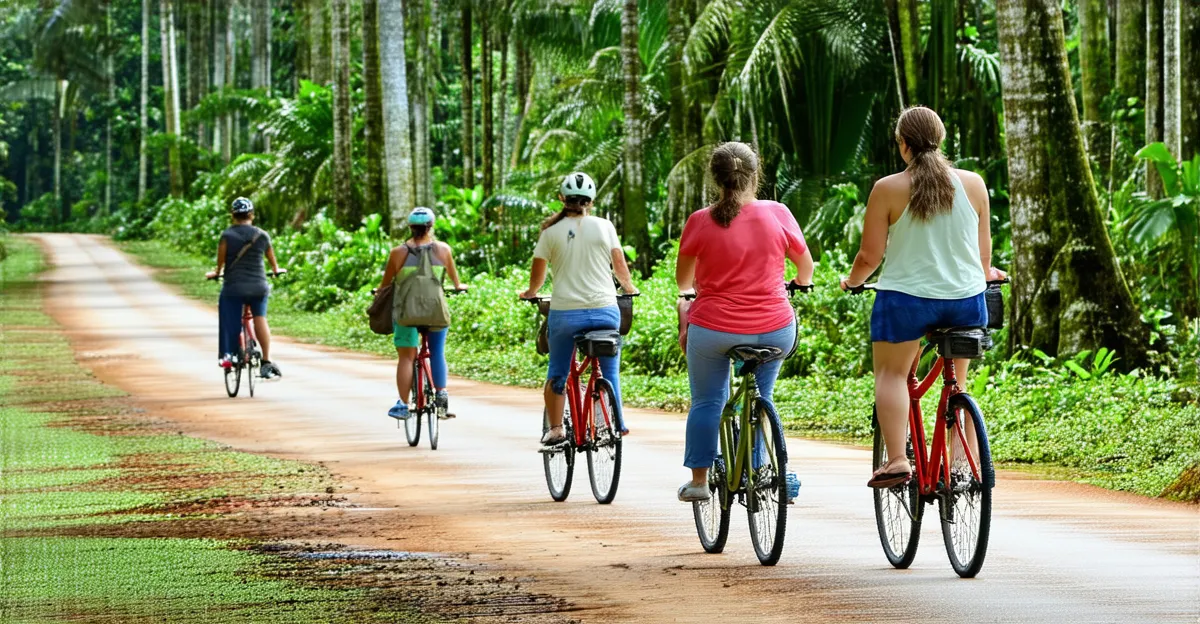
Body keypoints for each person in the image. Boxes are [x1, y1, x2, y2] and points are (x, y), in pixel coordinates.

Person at [839, 106, 1006, 488]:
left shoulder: (888, 188)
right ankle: (962, 461)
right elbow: (983, 259)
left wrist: (852, 281)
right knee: (957, 385)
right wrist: (985, 275)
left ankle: (898, 459)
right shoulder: (974, 184)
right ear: (942, 139)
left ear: (903, 145)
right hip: (966, 299)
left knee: (891, 374)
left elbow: (869, 257)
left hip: (906, 302)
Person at [674, 142, 815, 502]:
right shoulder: (778, 212)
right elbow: (805, 268)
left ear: (716, 178)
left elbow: (684, 282)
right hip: (775, 328)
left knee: (707, 402)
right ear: (756, 174)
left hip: (713, 329)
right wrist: (797, 284)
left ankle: (700, 482)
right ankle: (759, 474)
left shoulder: (700, 220)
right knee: (762, 396)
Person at [520, 172, 638, 445]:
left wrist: (529, 293)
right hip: (606, 311)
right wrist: (629, 288)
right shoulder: (605, 226)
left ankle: (556, 429)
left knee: (558, 372)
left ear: (562, 199)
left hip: (565, 315)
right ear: (592, 200)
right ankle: (617, 422)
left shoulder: (550, 232)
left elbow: (537, 279)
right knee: (610, 372)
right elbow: (620, 268)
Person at [377, 207, 468, 421]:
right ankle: (442, 395)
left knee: (406, 358)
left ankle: (402, 403)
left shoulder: (397, 253)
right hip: (436, 314)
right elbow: (455, 282)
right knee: (437, 352)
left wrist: (378, 292)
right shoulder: (443, 250)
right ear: (431, 226)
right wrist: (459, 286)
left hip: (406, 315)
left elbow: (385, 284)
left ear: (410, 227)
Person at [206, 197, 285, 379]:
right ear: (252, 215)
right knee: (260, 318)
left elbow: (220, 264)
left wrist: (216, 272)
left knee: (228, 316)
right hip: (258, 286)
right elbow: (274, 265)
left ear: (233, 216)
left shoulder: (227, 236)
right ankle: (266, 360)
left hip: (234, 287)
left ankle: (228, 355)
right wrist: (276, 270)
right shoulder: (262, 235)